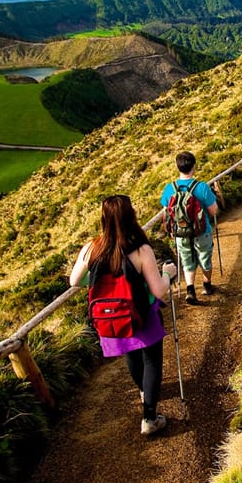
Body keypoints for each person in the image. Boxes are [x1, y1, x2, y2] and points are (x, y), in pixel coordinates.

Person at [69, 195, 178, 436]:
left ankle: (143, 392)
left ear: (104, 219)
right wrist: (168, 274)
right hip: (142, 314)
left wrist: (100, 284)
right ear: (131, 216)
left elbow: (73, 281)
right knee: (152, 361)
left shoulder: (91, 248)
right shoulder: (140, 250)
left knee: (132, 354)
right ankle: (149, 417)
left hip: (111, 317)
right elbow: (159, 290)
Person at [160, 151, 220, 305]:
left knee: (187, 261)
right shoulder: (202, 187)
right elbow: (213, 211)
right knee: (205, 259)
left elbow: (167, 213)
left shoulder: (169, 189)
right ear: (194, 166)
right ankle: (207, 285)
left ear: (177, 167)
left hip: (180, 233)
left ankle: (190, 290)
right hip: (202, 231)